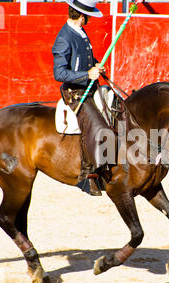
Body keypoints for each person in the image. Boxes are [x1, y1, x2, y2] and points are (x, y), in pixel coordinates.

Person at [52, 0, 109, 196]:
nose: (91, 18)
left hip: (90, 87)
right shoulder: (64, 38)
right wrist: (87, 74)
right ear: (82, 16)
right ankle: (88, 174)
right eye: (89, 15)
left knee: (116, 111)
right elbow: (59, 73)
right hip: (75, 93)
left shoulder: (80, 32)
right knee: (95, 125)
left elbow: (84, 59)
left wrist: (96, 65)